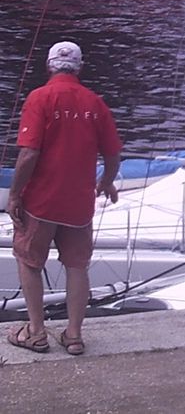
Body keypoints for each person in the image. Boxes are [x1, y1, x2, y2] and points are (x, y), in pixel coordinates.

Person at [7, 41, 122, 356]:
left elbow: (29, 152)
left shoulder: (40, 98)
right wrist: (107, 182)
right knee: (76, 267)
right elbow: (113, 154)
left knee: (29, 262)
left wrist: (15, 194)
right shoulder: (95, 103)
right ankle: (73, 335)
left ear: (49, 66)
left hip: (41, 202)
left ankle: (36, 332)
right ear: (79, 68)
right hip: (79, 205)